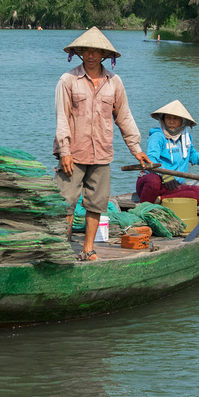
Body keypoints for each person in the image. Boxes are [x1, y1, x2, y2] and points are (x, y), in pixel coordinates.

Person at [54, 27, 150, 261]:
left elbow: (124, 117)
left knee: (95, 204)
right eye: (87, 50)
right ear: (80, 53)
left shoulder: (114, 83)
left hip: (102, 154)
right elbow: (62, 118)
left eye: (96, 51)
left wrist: (136, 150)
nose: (91, 55)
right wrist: (65, 151)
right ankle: (61, 250)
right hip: (73, 155)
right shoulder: (68, 80)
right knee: (65, 202)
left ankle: (88, 249)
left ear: (104, 55)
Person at [136, 100, 199, 206]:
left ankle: (160, 200)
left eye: (175, 118)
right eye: (168, 118)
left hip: (172, 185)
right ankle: (143, 206)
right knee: (154, 181)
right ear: (163, 119)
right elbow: (151, 159)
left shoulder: (185, 138)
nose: (171, 122)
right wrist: (163, 173)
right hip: (151, 182)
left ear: (182, 121)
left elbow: (191, 154)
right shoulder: (157, 136)